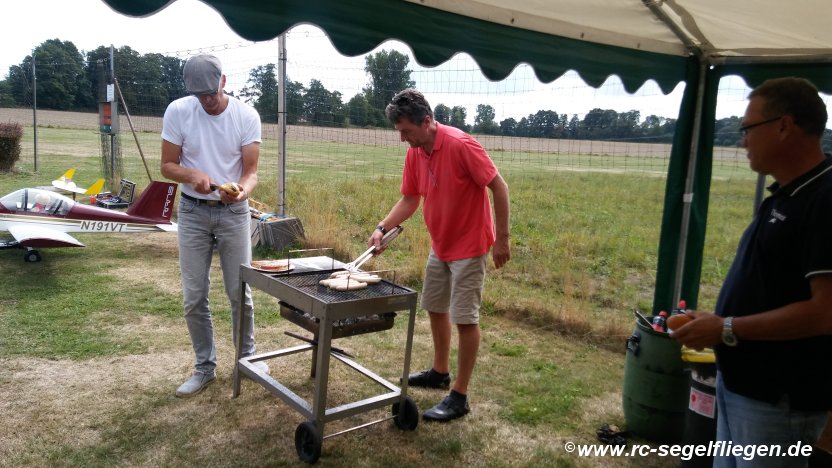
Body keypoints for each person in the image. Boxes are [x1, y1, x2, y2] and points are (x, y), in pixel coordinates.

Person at [671, 77, 832, 467]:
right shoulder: (789, 192)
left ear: (783, 126)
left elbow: (825, 311)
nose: (742, 140)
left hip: (778, 400)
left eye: (747, 128)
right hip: (745, 387)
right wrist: (718, 322)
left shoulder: (825, 199)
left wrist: (726, 328)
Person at [369, 89, 511, 422]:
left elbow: (499, 187)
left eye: (406, 131)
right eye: (399, 132)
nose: (403, 139)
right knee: (434, 306)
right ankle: (440, 371)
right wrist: (382, 227)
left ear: (427, 121)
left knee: (464, 317)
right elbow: (410, 199)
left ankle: (459, 396)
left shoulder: (461, 145)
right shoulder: (415, 153)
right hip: (441, 244)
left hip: (470, 245)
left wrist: (502, 240)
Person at [160, 54, 265, 398]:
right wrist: (192, 175)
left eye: (211, 92)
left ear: (223, 80)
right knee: (194, 296)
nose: (207, 100)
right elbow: (167, 165)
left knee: (240, 291)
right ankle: (204, 367)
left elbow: (250, 173)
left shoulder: (246, 115)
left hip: (233, 213)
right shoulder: (178, 111)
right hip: (192, 211)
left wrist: (241, 193)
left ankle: (247, 359)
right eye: (200, 94)